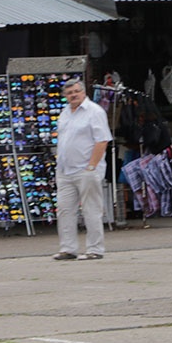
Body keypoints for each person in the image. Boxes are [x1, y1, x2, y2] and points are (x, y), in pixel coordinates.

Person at [53, 79, 113, 261]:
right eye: (70, 93)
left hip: (86, 169)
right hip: (65, 170)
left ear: (83, 92)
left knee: (91, 209)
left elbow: (102, 140)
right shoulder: (64, 113)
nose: (73, 95)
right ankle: (68, 249)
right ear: (65, 96)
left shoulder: (94, 112)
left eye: (76, 91)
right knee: (64, 209)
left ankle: (95, 249)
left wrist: (91, 166)